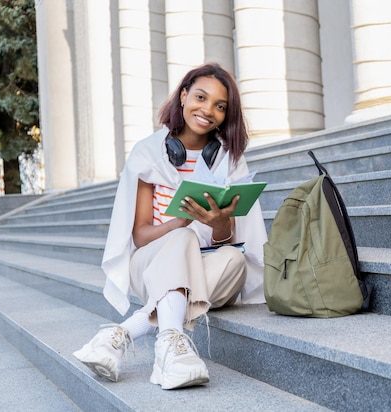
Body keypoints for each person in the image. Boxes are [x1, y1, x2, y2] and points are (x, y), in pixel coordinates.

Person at [73, 63, 267, 390]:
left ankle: (121, 335)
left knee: (233, 259)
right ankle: (173, 352)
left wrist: (219, 223)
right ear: (182, 96)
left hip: (206, 266)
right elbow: (140, 234)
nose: (208, 111)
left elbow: (228, 239)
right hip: (150, 263)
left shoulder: (228, 158)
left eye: (220, 106)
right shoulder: (149, 153)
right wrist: (179, 222)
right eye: (201, 98)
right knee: (182, 237)